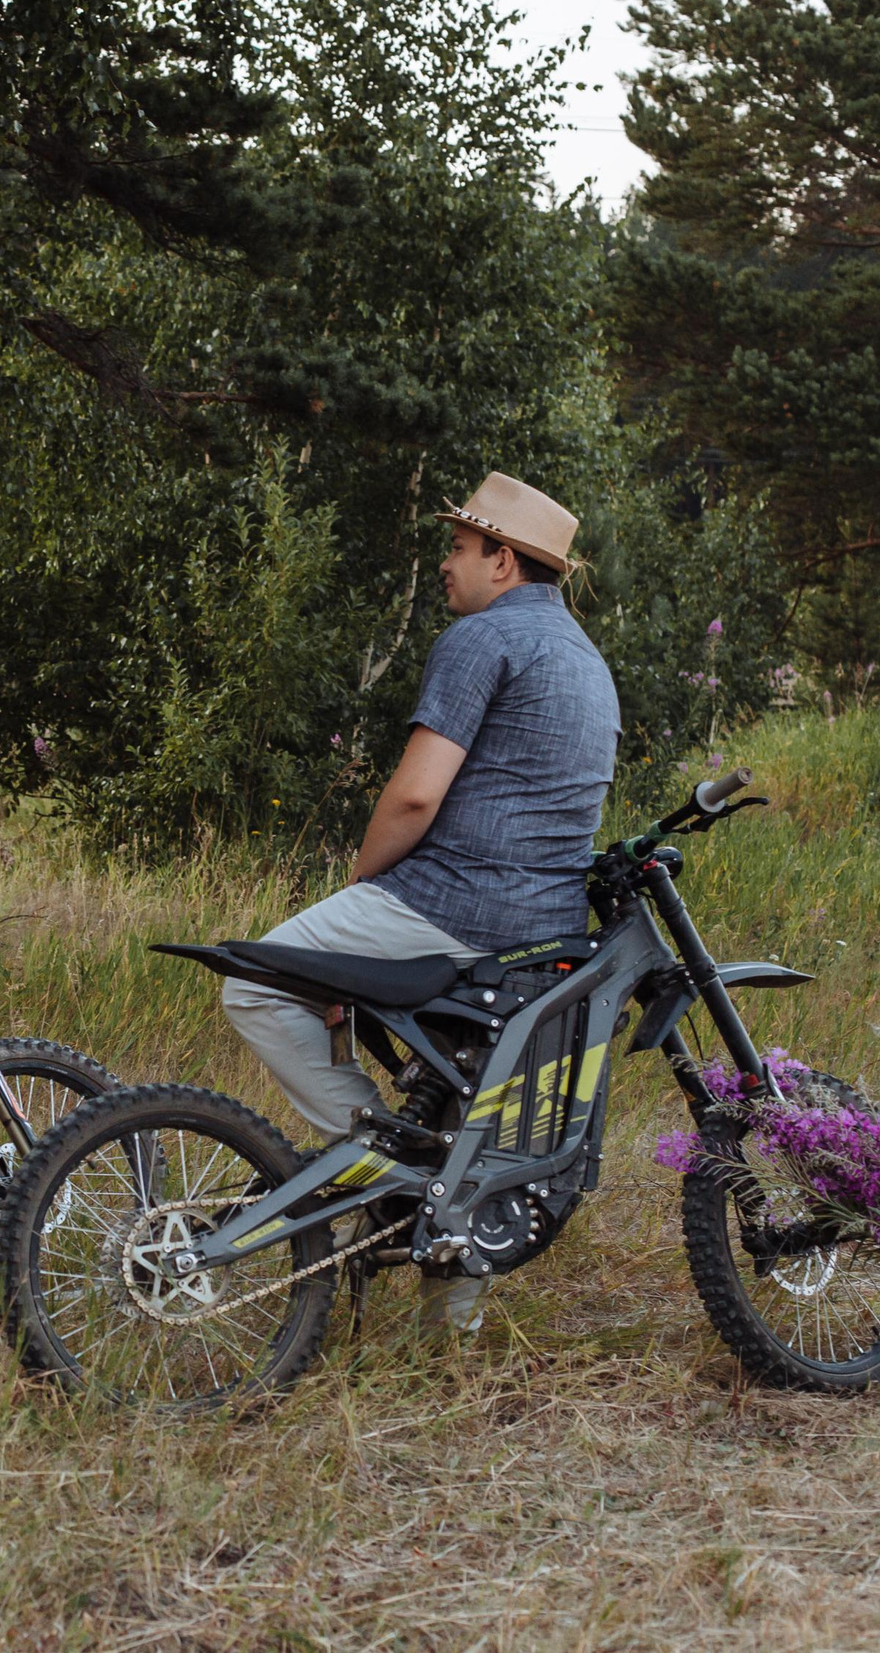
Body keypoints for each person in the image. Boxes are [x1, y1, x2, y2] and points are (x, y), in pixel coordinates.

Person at [221, 472, 620, 1330]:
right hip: (543, 938)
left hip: (451, 907)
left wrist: (356, 899)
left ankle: (372, 1152)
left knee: (253, 981)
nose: (446, 564)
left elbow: (413, 798)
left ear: (503, 561)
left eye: (459, 548)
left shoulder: (481, 639)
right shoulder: (589, 661)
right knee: (467, 1117)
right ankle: (450, 1338)